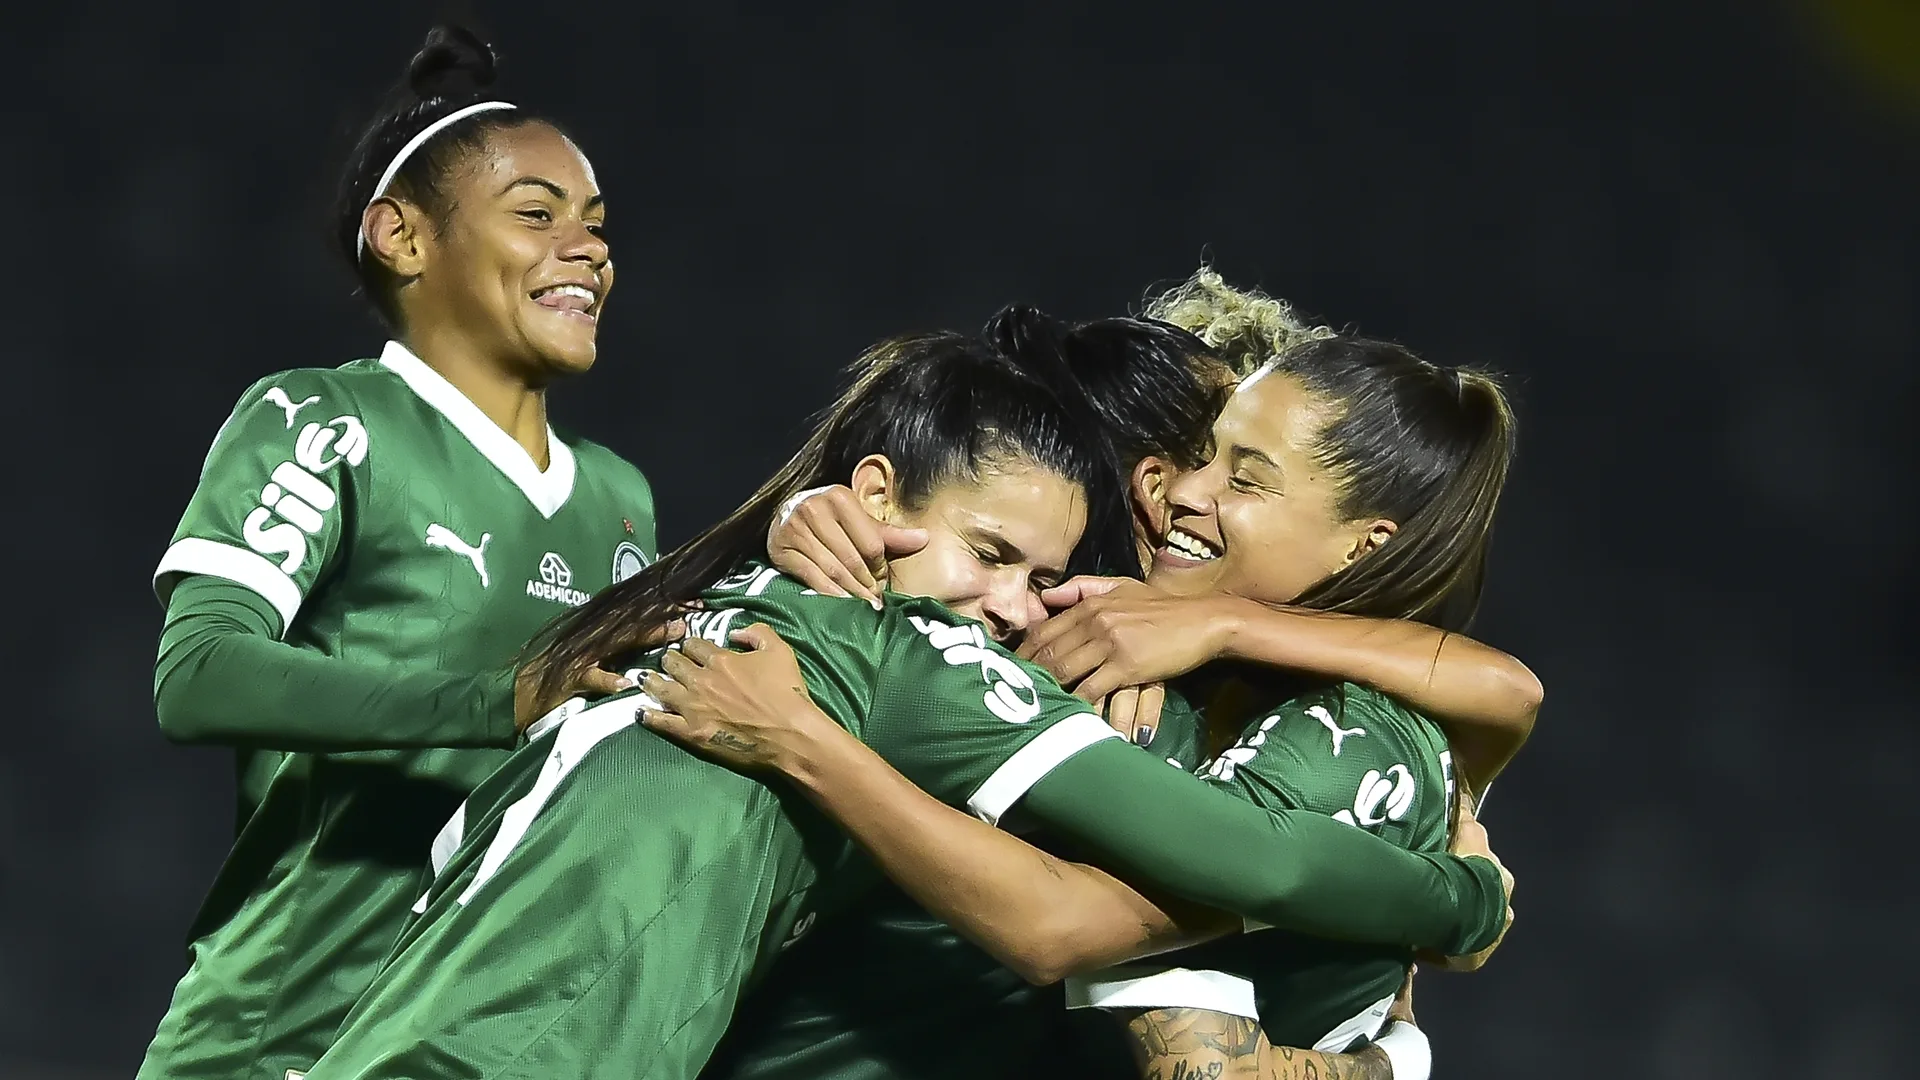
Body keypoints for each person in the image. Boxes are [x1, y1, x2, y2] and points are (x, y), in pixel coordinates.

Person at [301, 308, 1508, 1080]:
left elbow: (1506, 698)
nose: (1185, 496)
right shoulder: (927, 656)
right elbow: (1102, 940)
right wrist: (1448, 920)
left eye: (1237, 474)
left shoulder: (799, 614)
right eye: (1000, 558)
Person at [648, 296, 1528, 1080]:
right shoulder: (1067, 653)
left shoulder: (1319, 737)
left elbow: (1083, 936)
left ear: (1364, 544)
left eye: (1242, 475)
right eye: (1195, 457)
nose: (1185, 491)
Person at [137, 25, 654, 1080]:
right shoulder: (323, 420)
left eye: (596, 225)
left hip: (484, 1044)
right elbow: (196, 673)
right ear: (402, 237)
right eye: (536, 214)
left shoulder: (619, 495)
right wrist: (495, 699)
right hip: (286, 1042)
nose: (589, 247)